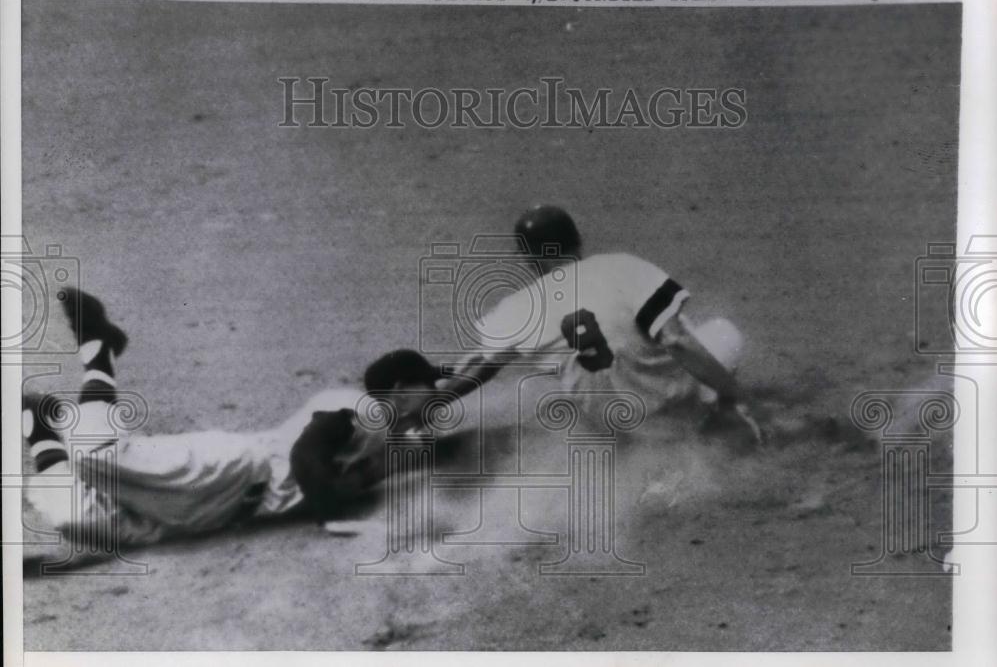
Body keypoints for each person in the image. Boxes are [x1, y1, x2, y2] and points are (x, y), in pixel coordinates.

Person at [22, 288, 438, 552]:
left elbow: (426, 425)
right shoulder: (358, 407)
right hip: (230, 470)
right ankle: (99, 349)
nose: (435, 396)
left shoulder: (395, 430)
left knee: (75, 518)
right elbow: (306, 453)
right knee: (99, 453)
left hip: (217, 512)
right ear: (401, 388)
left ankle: (39, 427)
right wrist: (333, 517)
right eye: (427, 386)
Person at [430, 205, 761, 441]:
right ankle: (721, 415)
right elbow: (677, 341)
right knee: (720, 331)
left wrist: (431, 401)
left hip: (608, 428)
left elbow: (479, 368)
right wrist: (740, 397)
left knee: (550, 372)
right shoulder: (623, 266)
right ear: (578, 241)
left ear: (529, 258)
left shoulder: (515, 308)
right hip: (675, 414)